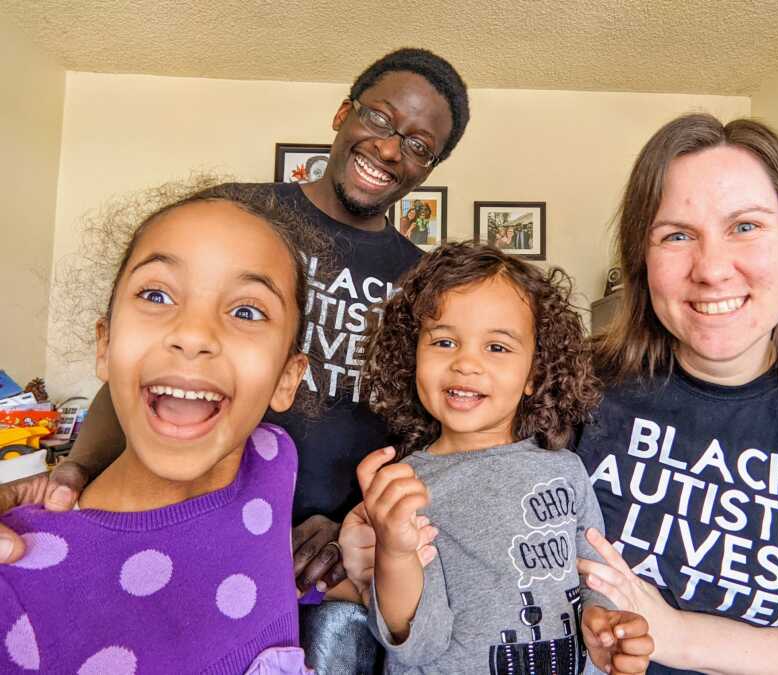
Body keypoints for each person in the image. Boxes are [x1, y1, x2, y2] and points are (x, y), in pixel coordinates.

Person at [0, 48, 470, 673]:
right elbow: (147, 361)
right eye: (381, 120)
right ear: (342, 114)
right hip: (165, 519)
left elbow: (419, 419)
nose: (390, 150)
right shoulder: (243, 216)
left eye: (418, 144)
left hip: (323, 559)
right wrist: (79, 467)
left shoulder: (419, 280)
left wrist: (351, 521)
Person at [575, 114, 778, 673]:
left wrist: (676, 635)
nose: (712, 269)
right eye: (676, 235)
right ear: (643, 263)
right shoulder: (575, 385)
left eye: (745, 227)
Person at [0, 184, 322, 673]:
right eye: (156, 294)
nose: (193, 335)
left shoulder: (274, 458)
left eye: (247, 310)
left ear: (286, 378)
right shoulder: (16, 580)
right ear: (105, 346)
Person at [351, 242, 654, 674]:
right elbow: (414, 644)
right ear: (411, 355)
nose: (466, 363)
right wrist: (395, 553)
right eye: (444, 341)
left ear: (534, 374)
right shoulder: (406, 487)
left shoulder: (565, 468)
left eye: (497, 347)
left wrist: (603, 619)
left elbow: (596, 571)